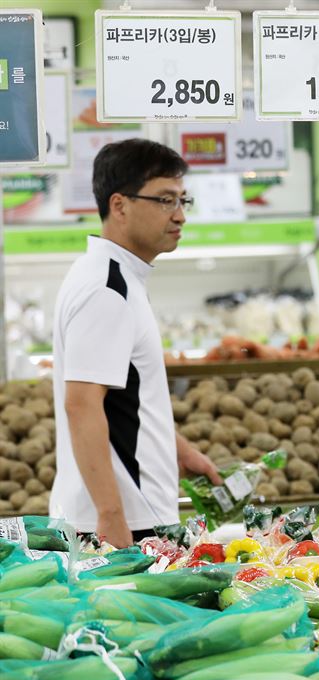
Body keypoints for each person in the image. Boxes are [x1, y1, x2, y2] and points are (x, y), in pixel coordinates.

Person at [51, 138, 222, 548]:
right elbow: (82, 404)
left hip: (128, 514)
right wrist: (112, 515)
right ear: (120, 205)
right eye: (165, 200)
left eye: (183, 200)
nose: (179, 215)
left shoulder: (117, 276)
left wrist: (176, 450)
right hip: (121, 523)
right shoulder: (107, 290)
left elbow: (121, 394)